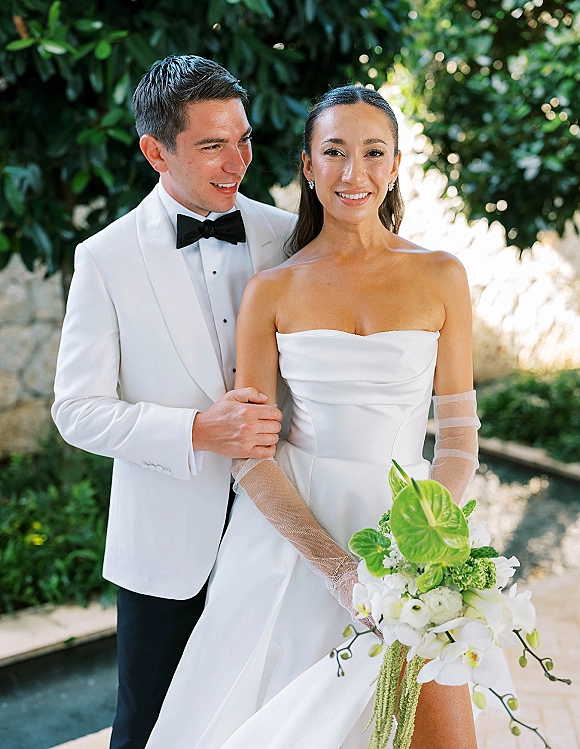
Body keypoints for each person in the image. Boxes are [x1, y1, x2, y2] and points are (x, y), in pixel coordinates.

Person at [145, 85, 482, 749]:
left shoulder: (443, 275)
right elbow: (250, 452)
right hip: (290, 543)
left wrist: (419, 543)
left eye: (371, 152)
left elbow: (460, 438)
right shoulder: (271, 289)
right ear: (307, 165)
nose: (352, 173)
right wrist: (337, 568)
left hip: (410, 525)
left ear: (394, 165)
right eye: (333, 151)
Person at [51, 55, 296, 749]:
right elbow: (77, 408)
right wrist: (195, 429)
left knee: (262, 721)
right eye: (212, 144)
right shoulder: (106, 257)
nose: (237, 161)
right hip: (163, 549)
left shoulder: (285, 235)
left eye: (243, 138)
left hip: (278, 531)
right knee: (146, 730)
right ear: (155, 150)